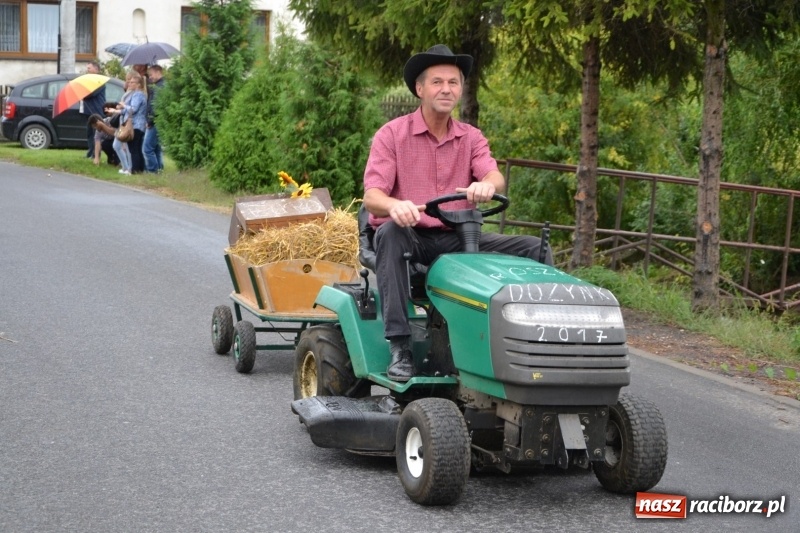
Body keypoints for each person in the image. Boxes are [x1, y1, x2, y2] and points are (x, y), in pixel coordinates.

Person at [363, 45, 554, 382]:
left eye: (453, 82)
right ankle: (400, 346)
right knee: (389, 234)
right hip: (412, 237)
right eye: (437, 82)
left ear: (461, 89)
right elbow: (372, 196)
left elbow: (493, 175)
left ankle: (540, 340)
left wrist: (487, 186)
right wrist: (396, 206)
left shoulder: (471, 138)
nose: (446, 89)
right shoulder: (391, 135)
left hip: (459, 238)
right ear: (419, 89)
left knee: (534, 249)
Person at [114, 71, 148, 174]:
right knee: (136, 148)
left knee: (134, 149)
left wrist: (124, 105)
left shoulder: (138, 94)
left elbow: (133, 109)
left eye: (133, 82)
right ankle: (139, 169)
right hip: (139, 124)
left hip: (136, 124)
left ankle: (134, 170)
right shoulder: (140, 94)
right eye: (130, 82)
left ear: (138, 84)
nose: (130, 84)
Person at [143, 65, 165, 173]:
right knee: (156, 148)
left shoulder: (159, 87)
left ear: (158, 72)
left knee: (147, 148)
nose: (150, 77)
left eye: (151, 74)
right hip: (159, 121)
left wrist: (149, 121)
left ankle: (152, 170)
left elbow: (155, 106)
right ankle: (159, 169)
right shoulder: (160, 85)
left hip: (155, 121)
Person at [82, 61, 106, 158]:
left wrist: (82, 93)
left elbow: (91, 93)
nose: (87, 70)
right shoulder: (88, 80)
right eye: (87, 68)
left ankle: (95, 154)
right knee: (89, 133)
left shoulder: (100, 81)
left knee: (96, 134)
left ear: (96, 69)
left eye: (89, 68)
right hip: (88, 110)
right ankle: (90, 152)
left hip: (96, 111)